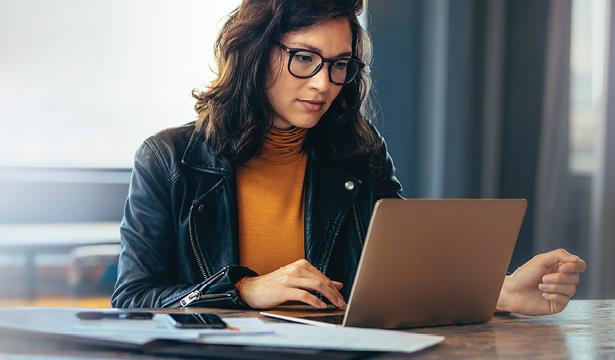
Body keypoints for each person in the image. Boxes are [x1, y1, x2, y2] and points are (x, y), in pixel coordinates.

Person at [111, 0, 586, 316]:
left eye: (340, 65)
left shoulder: (359, 152)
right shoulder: (169, 159)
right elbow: (132, 300)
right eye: (304, 58)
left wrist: (498, 292)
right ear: (254, 53)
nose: (323, 83)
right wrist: (242, 291)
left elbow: (401, 274)